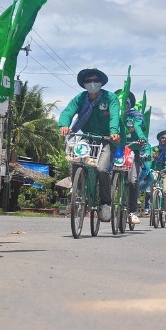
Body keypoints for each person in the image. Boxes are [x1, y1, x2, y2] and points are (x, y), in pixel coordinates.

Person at [58, 68, 122, 222]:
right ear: (84, 84)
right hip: (86, 137)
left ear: (101, 82)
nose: (92, 83)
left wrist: (114, 131)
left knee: (101, 169)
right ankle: (77, 190)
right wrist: (64, 125)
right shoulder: (79, 99)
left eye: (95, 80)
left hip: (106, 139)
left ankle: (105, 203)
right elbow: (67, 112)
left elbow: (114, 116)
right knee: (76, 159)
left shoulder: (110, 98)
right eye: (88, 81)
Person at [116, 89, 151, 225]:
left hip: (132, 152)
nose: (122, 106)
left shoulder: (134, 116)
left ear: (129, 104)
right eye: (120, 103)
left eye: (125, 103)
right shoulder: (111, 115)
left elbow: (137, 126)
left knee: (132, 180)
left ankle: (132, 211)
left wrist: (142, 138)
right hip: (116, 151)